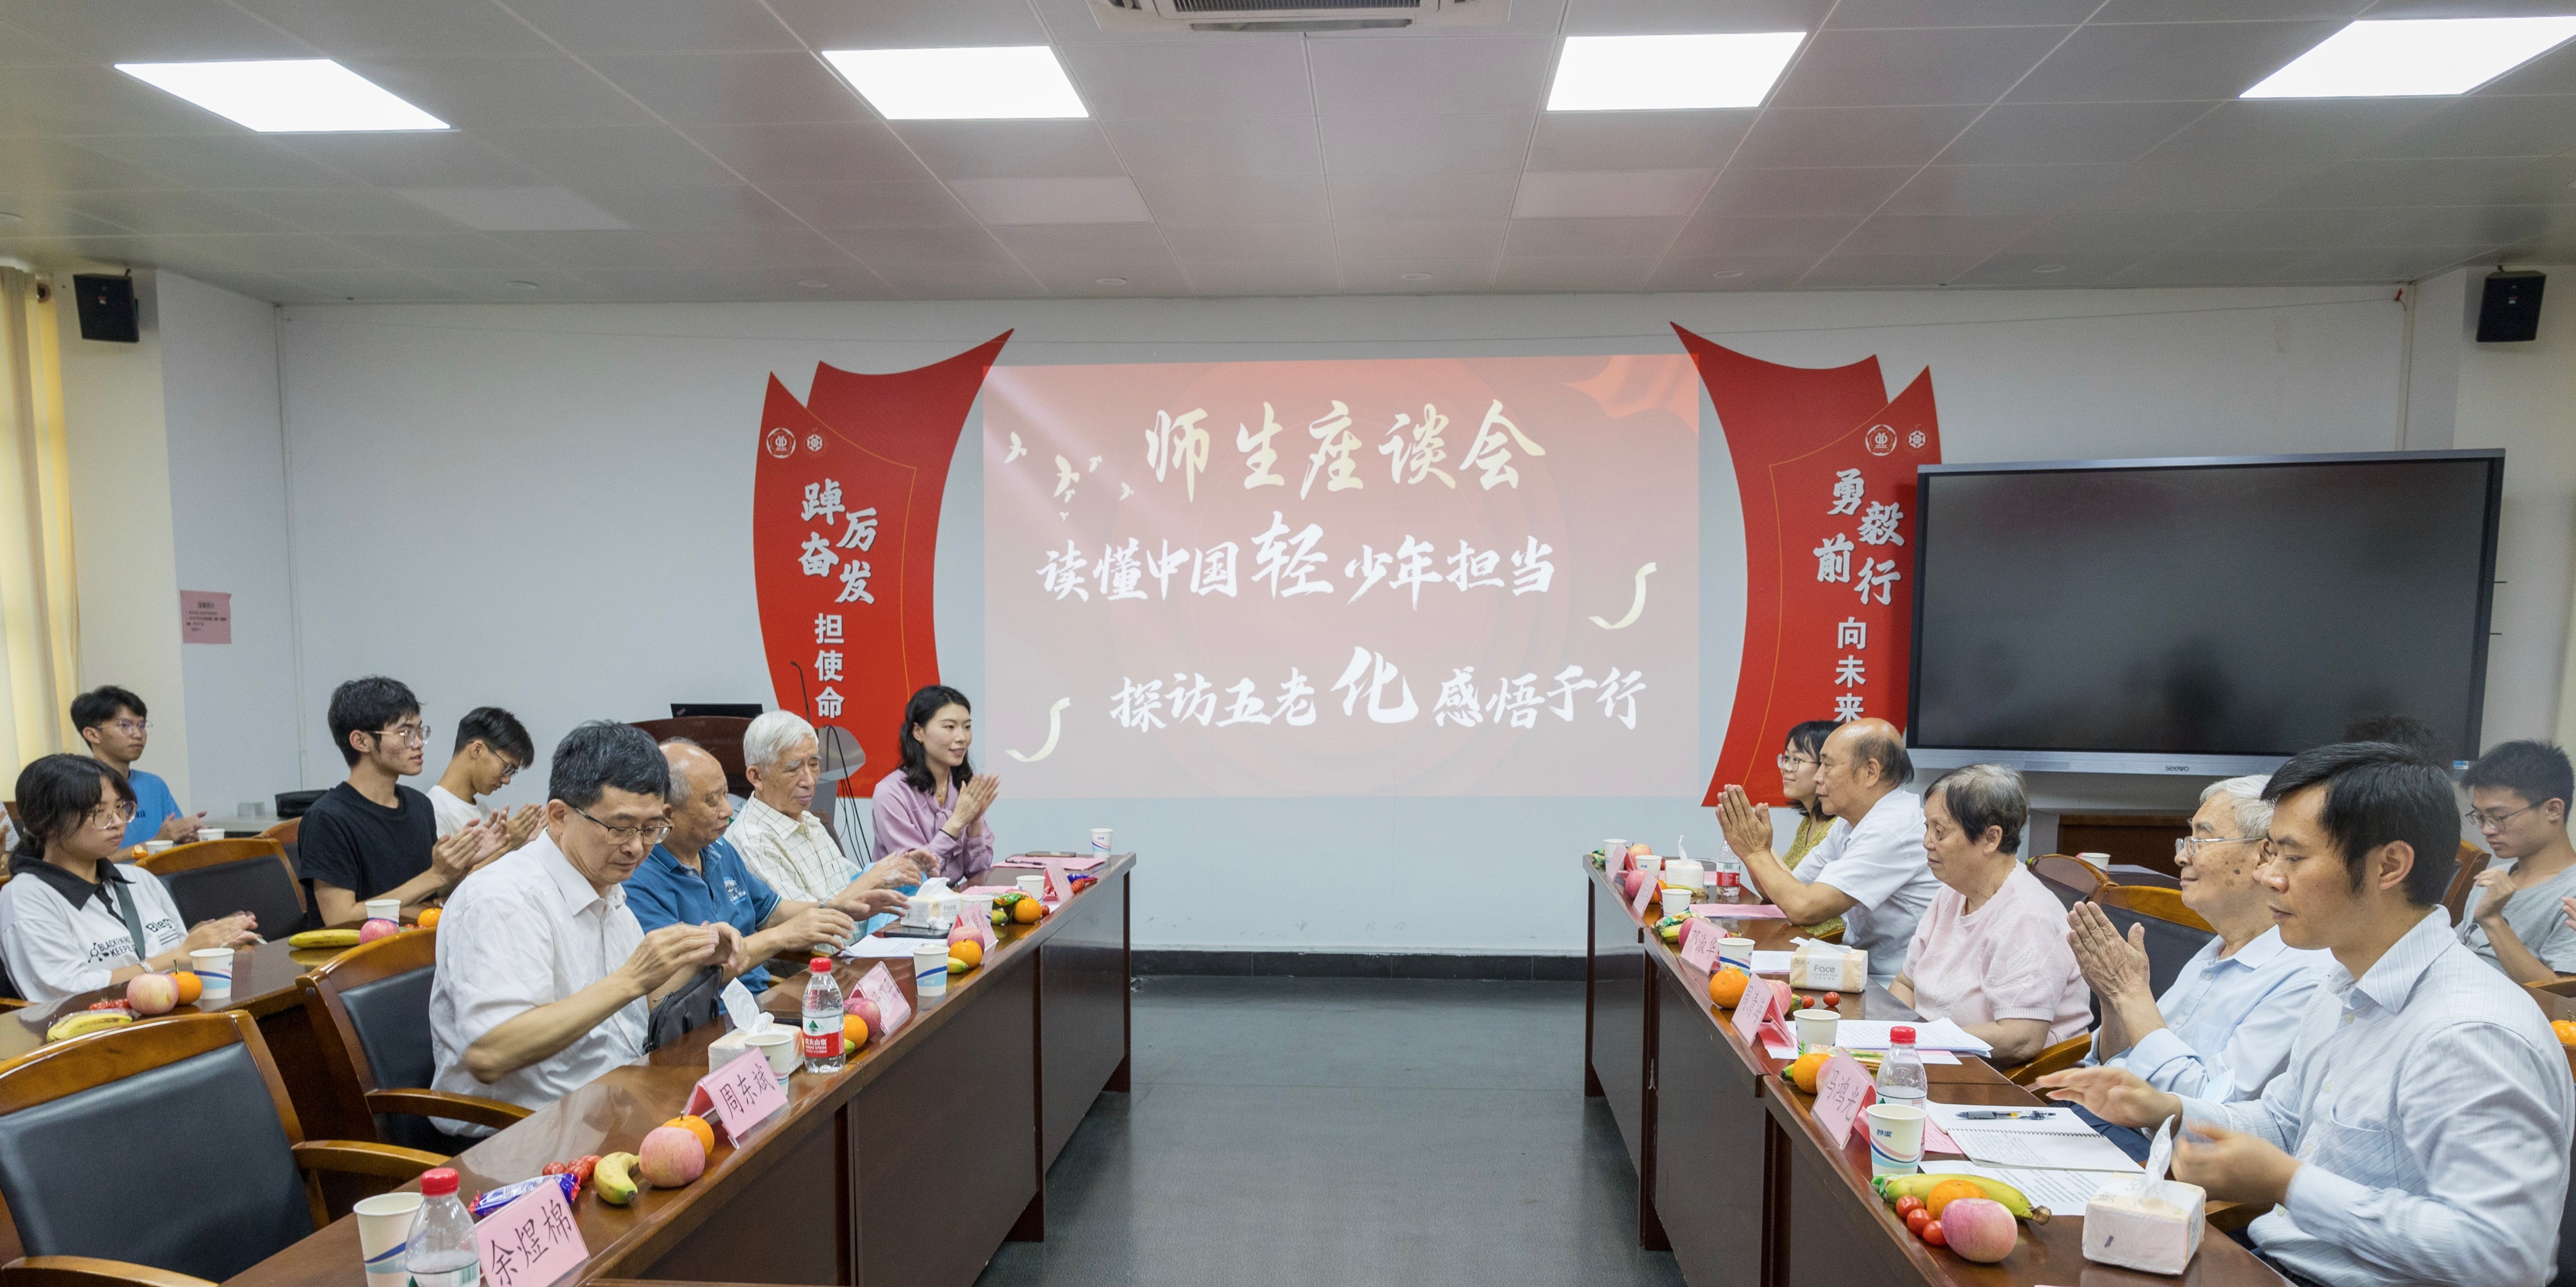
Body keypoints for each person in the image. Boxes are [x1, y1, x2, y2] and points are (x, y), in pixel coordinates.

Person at [2040, 742, 2572, 1287]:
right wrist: (2171, 1109)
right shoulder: (2345, 981)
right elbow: (2284, 1122)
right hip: (2271, 1264)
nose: (2269, 877)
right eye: (2270, 854)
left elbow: (2507, 1255)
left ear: (2389, 865)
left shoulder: (2469, 1031)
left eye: (2293, 858)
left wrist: (2289, 1184)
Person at [429, 722, 740, 1129]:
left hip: (616, 1102)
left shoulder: (604, 882)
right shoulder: (503, 899)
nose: (636, 847)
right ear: (559, 816)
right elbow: (490, 1053)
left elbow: (631, 1006)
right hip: (526, 1133)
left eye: (651, 829)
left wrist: (699, 959)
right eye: (619, 828)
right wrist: (632, 978)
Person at [2067, 775, 2329, 1159]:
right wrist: (2113, 999)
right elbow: (2118, 1064)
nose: (2181, 857)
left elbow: (2209, 1113)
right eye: (2185, 841)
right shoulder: (2216, 947)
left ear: (2264, 855)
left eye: (2200, 841)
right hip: (2110, 1124)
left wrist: (2132, 994)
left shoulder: (2307, 974)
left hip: (2170, 1160)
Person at [628, 740, 907, 993]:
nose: (728, 810)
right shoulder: (637, 878)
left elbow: (773, 912)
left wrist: (837, 907)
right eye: (712, 801)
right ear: (668, 814)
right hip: (707, 1019)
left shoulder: (720, 849)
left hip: (759, 1002)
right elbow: (676, 985)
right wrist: (781, 937)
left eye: (726, 794)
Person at [0, 754, 258, 1004]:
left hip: (170, 1011)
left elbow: (181, 962)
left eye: (120, 808)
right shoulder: (26, 897)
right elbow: (70, 993)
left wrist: (207, 942)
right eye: (99, 812)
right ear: (48, 824)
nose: (118, 822)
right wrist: (178, 955)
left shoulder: (139, 878)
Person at [1889, 764, 2087, 1065]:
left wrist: (1921, 1042)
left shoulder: (2029, 916)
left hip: (2006, 1076)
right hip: (1932, 1055)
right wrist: (1899, 1044)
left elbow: (2020, 1038)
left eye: (1940, 832)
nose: (1927, 842)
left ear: (1991, 838)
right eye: (1927, 828)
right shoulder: (1952, 892)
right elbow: (1906, 983)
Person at [1716, 718, 1939, 983]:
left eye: (1828, 765)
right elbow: (1785, 891)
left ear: (1870, 772)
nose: (1818, 778)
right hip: (1857, 968)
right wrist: (1758, 846)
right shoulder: (1850, 823)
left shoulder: (1891, 828)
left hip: (1894, 985)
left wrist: (1756, 852)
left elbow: (1804, 908)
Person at [298, 676, 502, 927]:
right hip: (360, 949)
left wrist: (463, 865)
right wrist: (435, 876)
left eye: (419, 731)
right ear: (361, 741)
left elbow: (429, 897)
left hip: (418, 940)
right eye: (406, 733)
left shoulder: (419, 805)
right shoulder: (328, 818)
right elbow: (340, 918)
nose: (418, 743)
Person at [727, 710, 924, 908]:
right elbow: (806, 920)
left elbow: (852, 883)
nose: (810, 781)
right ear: (757, 777)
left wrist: (898, 869)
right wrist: (872, 879)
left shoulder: (808, 821)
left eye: (814, 764)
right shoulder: (751, 840)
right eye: (793, 769)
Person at [2456, 739, 2576, 984]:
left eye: (2499, 817)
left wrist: (2493, 920)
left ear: (2553, 810)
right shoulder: (2496, 877)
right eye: (2480, 817)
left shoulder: (2570, 895)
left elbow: (2558, 997)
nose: (2487, 829)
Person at [871, 685, 1000, 885]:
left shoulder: (960, 786)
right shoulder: (890, 793)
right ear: (918, 732)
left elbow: (978, 870)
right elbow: (916, 876)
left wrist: (975, 823)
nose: (962, 738)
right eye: (950, 727)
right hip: (904, 903)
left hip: (951, 900)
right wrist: (956, 823)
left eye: (967, 727)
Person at [71, 686, 201, 845]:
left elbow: (174, 837)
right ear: (93, 735)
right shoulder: (78, 789)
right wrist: (156, 843)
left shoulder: (154, 785)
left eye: (142, 725)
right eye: (125, 725)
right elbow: (87, 859)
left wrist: (189, 835)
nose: (138, 734)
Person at [428, 706, 542, 853]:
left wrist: (521, 842)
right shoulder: (433, 810)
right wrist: (508, 843)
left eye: (512, 773)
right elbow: (444, 870)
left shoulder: (483, 811)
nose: (507, 780)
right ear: (477, 750)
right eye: (507, 768)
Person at [1777, 719, 1840, 868]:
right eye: (1786, 758)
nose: (1785, 767)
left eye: (1796, 760)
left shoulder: (1837, 827)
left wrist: (1759, 848)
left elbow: (1794, 883)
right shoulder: (1808, 822)